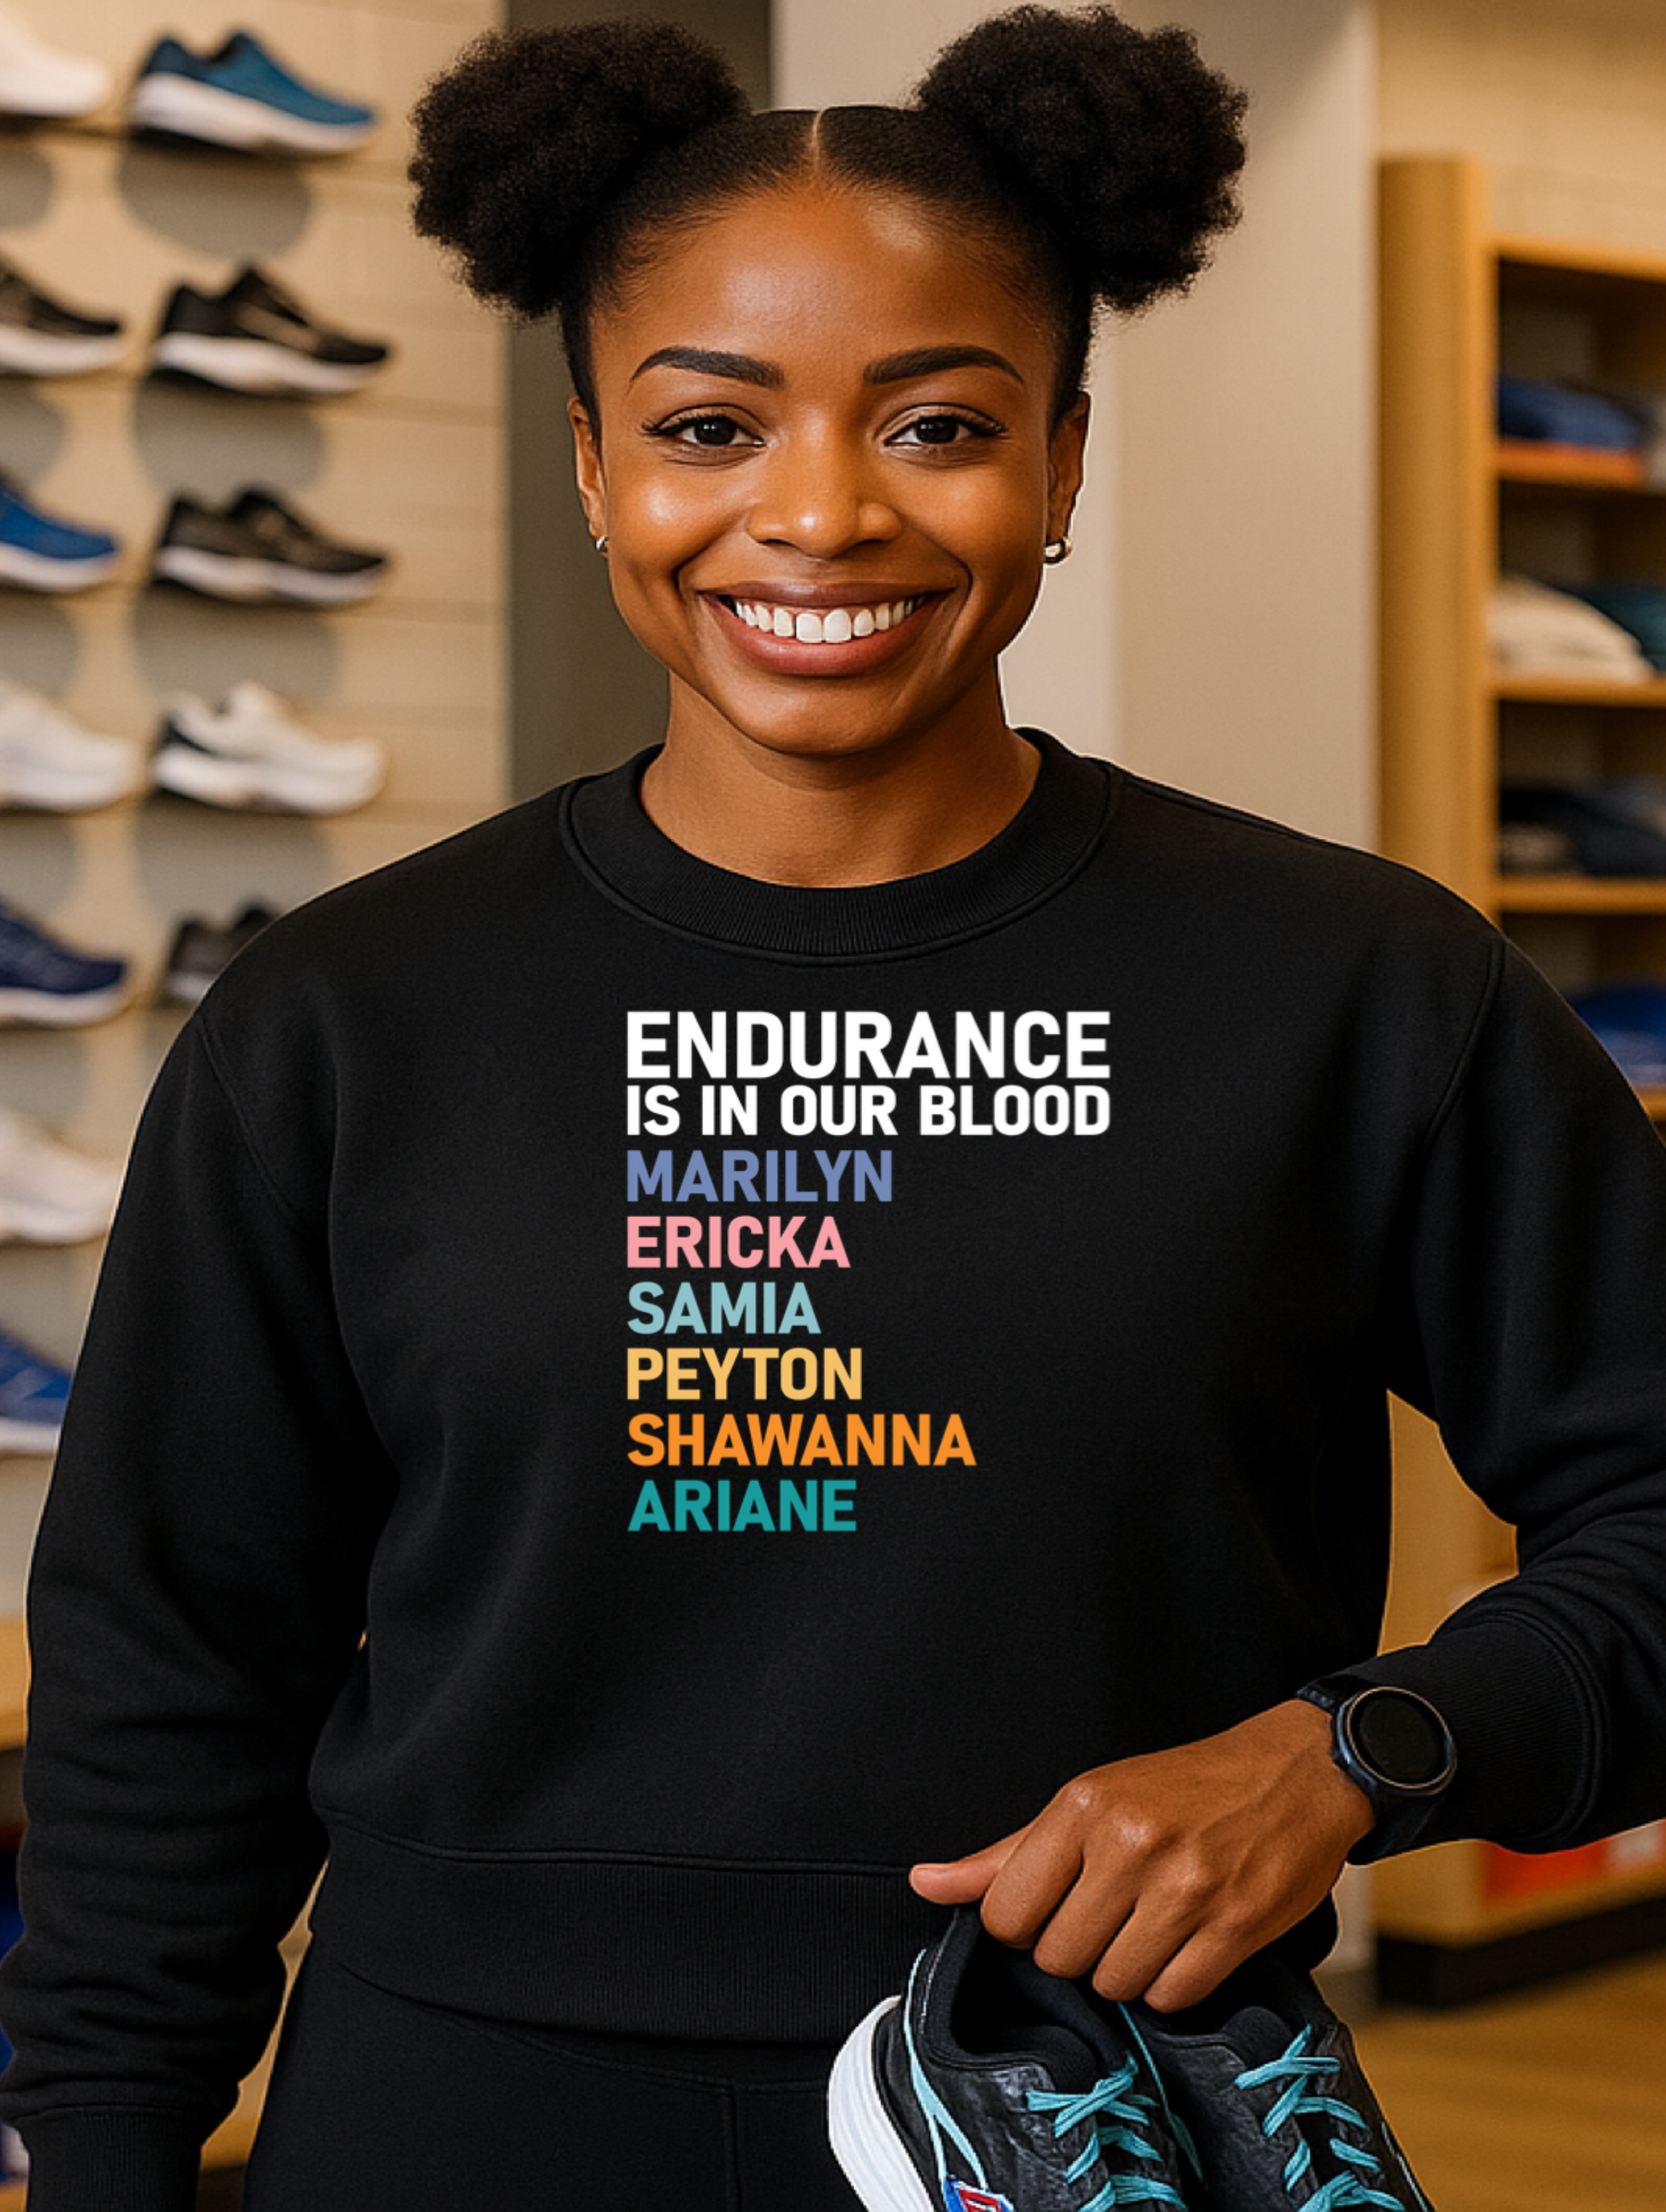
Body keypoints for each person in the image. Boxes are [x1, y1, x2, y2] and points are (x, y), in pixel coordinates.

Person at [2, 8, 1665, 2209]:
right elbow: (173, 1662)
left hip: (1105, 2107)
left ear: (1065, 461)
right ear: (593, 463)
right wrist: (100, 2147)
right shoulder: (344, 1016)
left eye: (940, 421)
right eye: (709, 422)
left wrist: (1355, 1748)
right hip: (462, 2116)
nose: (817, 510)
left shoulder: (1354, 988)